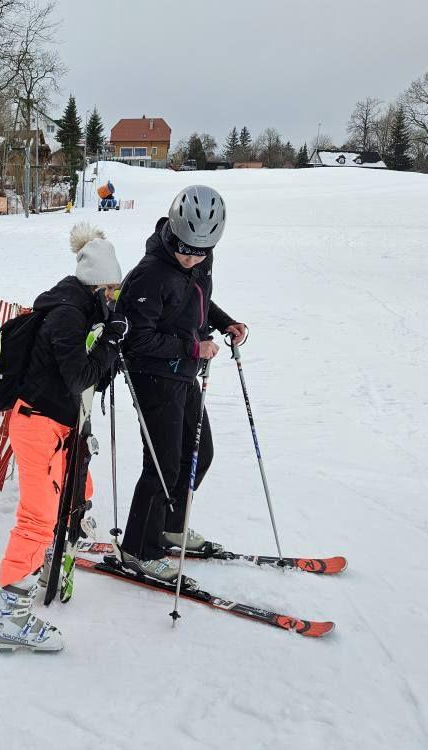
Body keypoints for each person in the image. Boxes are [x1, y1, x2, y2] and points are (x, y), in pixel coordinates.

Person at [0, 223, 127, 652]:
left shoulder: (81, 308)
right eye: (115, 291)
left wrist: (108, 347)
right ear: (99, 285)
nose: (116, 299)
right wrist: (109, 345)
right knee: (37, 518)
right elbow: (77, 376)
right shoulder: (67, 314)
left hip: (60, 426)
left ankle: (51, 561)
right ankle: (7, 618)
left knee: (77, 493)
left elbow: (87, 378)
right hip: (37, 426)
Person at [115, 185, 247, 584]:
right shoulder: (148, 275)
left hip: (183, 372)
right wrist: (194, 348)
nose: (191, 257)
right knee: (162, 464)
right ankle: (139, 549)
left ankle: (170, 526)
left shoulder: (201, 261)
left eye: (200, 251)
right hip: (152, 376)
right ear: (173, 228)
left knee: (197, 455)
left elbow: (195, 303)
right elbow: (136, 339)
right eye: (185, 248)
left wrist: (224, 323)